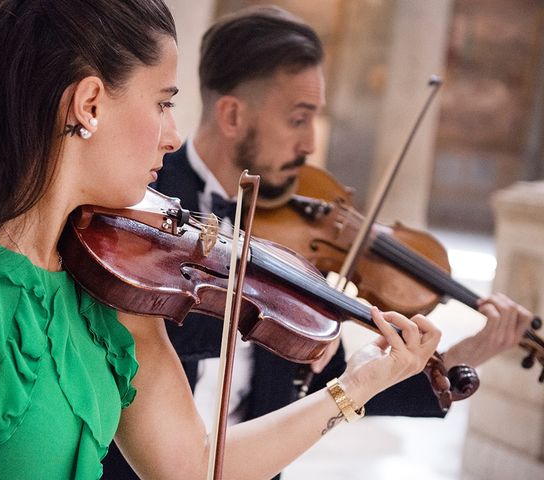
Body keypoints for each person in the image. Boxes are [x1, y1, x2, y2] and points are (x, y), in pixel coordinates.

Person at [0, 1, 448, 479]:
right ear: (90, 103)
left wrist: (355, 386)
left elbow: (194, 466)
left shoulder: (110, 286)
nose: (174, 134)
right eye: (163, 102)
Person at [100, 5, 535, 480]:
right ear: (231, 116)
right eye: (297, 119)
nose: (310, 143)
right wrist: (245, 311)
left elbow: (334, 380)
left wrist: (454, 358)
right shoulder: (139, 207)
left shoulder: (289, 244)